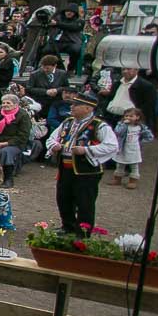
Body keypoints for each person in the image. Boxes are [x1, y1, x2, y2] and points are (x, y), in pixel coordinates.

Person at [46, 92, 119, 235]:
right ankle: (68, 226)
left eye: (76, 105)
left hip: (86, 170)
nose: (72, 107)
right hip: (65, 168)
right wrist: (54, 145)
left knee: (85, 202)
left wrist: (86, 150)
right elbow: (52, 138)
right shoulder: (67, 122)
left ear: (88, 108)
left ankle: (83, 232)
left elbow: (112, 146)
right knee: (63, 198)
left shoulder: (99, 126)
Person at [0, 93, 32, 186]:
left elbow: (23, 136)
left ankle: (8, 179)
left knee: (6, 152)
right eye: (3, 103)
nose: (5, 105)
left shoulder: (23, 115)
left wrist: (4, 144)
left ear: (15, 105)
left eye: (8, 103)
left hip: (14, 143)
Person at [111, 107, 154, 189]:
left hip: (134, 149)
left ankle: (133, 181)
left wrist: (141, 142)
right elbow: (118, 132)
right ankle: (117, 179)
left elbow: (149, 136)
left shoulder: (141, 127)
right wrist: (124, 124)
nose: (128, 118)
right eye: (126, 116)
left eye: (131, 116)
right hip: (123, 148)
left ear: (137, 117)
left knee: (134, 165)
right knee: (120, 164)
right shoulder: (121, 125)